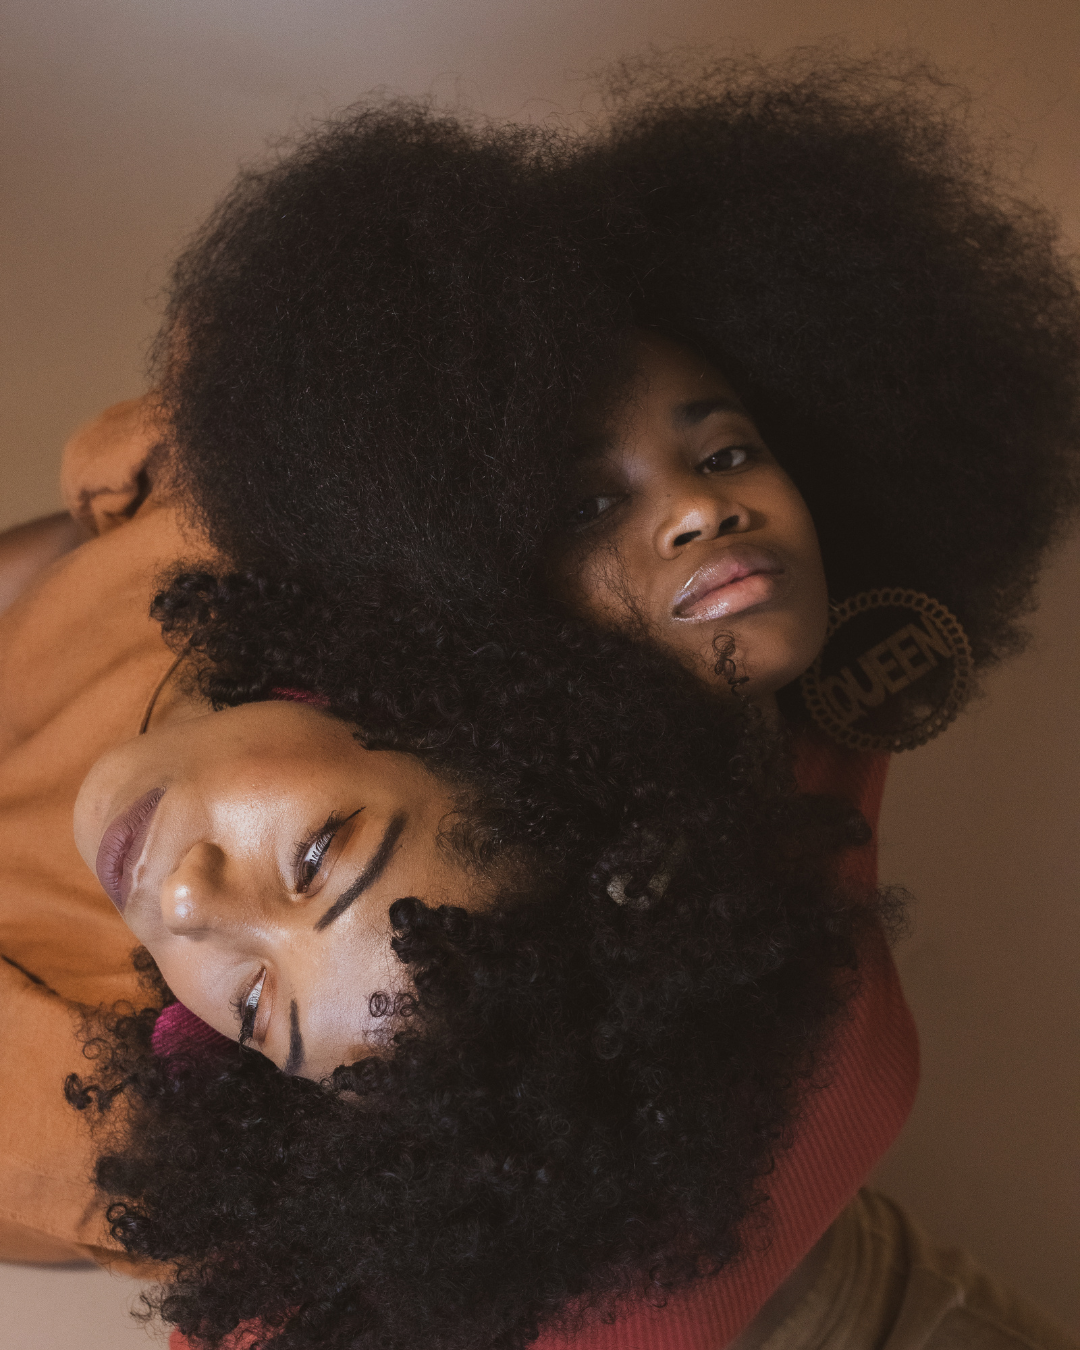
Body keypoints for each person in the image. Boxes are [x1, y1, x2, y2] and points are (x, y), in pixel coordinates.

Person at [76, 52, 1074, 1350]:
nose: (702, 508)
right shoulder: (385, 943)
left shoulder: (781, 680)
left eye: (728, 448)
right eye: (586, 503)